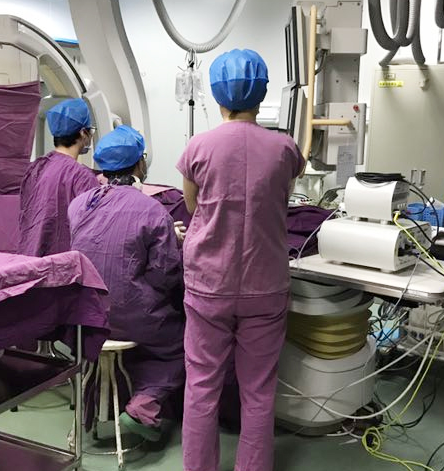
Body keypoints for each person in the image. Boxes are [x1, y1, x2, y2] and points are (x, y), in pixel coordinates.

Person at [177, 49, 305, 471]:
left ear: (217, 95)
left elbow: (192, 206)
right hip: (265, 284)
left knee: (201, 386)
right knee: (259, 390)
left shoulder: (199, 147)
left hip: (208, 284)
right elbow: (284, 195)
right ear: (262, 94)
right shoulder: (284, 148)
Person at [69, 125, 185, 442]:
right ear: (139, 163)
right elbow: (165, 275)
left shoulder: (79, 205)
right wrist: (171, 239)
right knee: (185, 344)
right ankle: (144, 405)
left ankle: (112, 405)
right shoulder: (153, 210)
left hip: (88, 317)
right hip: (132, 316)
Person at [18, 98, 100, 256]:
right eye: (90, 131)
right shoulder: (82, 177)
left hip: (29, 257)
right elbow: (93, 230)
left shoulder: (36, 168)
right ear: (83, 133)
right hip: (62, 262)